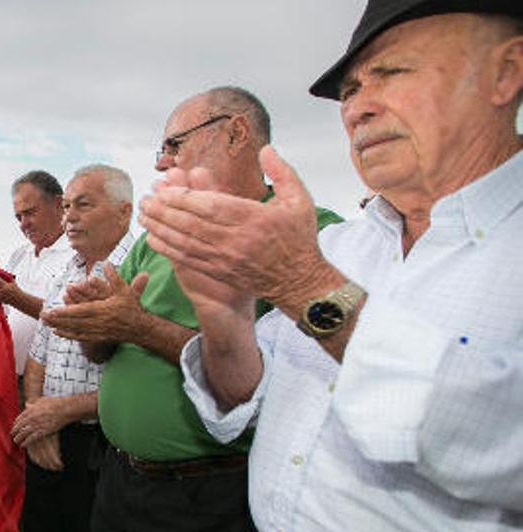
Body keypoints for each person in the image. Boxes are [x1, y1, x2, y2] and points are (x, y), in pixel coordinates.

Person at [139, 0, 523, 528]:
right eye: (350, 89)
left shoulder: (310, 262)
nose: (358, 108)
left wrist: (304, 287)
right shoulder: (338, 246)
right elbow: (248, 396)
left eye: (392, 72)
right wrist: (224, 315)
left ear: (505, 72)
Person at [42, 86, 343, 531]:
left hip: (208, 496)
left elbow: (281, 383)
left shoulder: (311, 236)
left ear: (236, 134)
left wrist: (138, 326)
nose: (161, 162)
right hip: (118, 480)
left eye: (173, 145)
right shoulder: (157, 236)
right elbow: (103, 350)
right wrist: (96, 324)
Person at [11, 165, 132, 532]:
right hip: (49, 434)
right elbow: (39, 353)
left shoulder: (138, 272)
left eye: (83, 205)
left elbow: (145, 376)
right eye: (67, 208)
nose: (71, 218)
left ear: (124, 210)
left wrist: (61, 412)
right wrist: (38, 419)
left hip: (102, 445)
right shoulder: (71, 270)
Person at [0, 171, 75, 400]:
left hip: (48, 391)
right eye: (18, 217)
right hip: (9, 382)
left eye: (30, 213)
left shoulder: (78, 255)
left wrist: (15, 297)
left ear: (59, 205)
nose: (23, 224)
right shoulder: (19, 255)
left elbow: (71, 319)